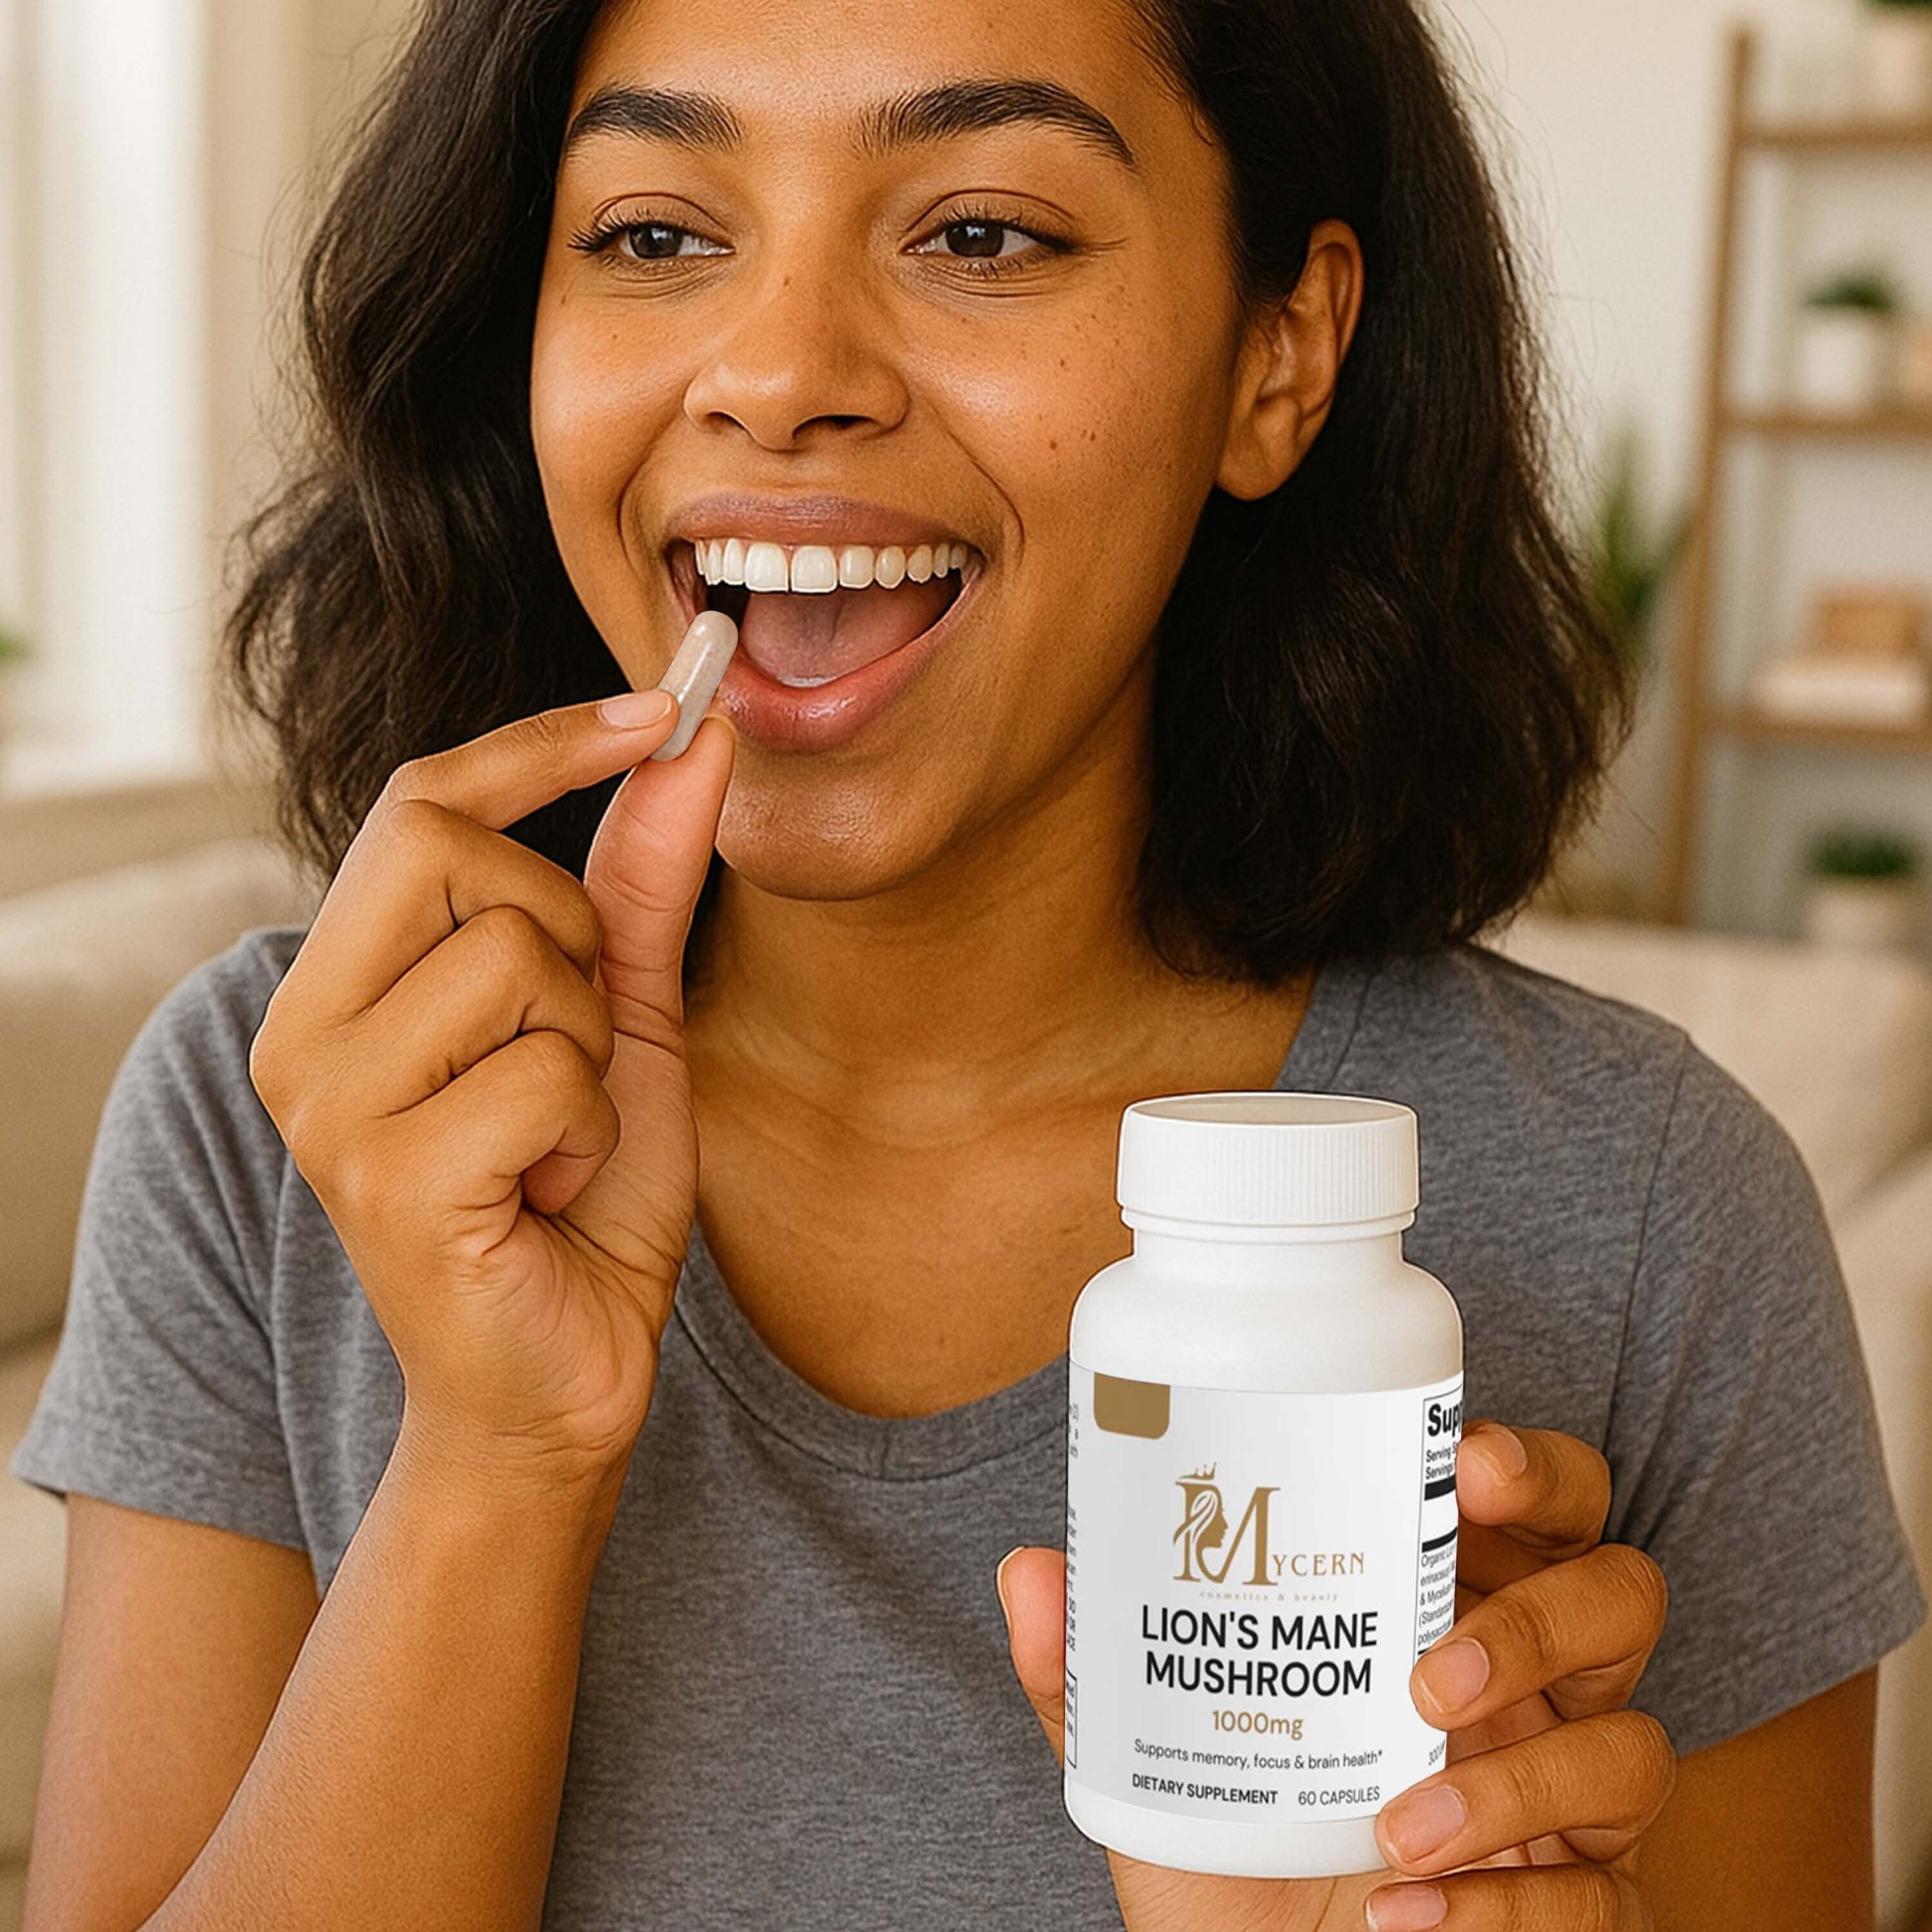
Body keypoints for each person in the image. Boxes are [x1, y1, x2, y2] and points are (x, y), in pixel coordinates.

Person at [10, 0, 1923, 1926]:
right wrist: (496, 1468)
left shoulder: (1658, 1221)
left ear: (1282, 353)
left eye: (984, 233)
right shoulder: (268, 1120)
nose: (780, 374)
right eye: (657, 235)